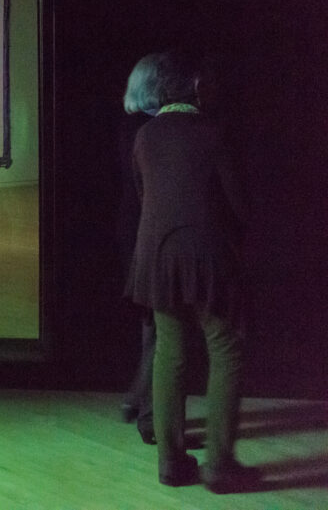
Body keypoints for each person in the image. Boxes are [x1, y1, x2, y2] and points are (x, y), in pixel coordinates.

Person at [128, 50, 258, 493]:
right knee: (225, 349)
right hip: (208, 256)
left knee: (170, 352)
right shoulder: (212, 131)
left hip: (158, 258)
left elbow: (145, 196)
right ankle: (220, 466)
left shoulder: (145, 136)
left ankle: (170, 462)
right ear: (196, 88)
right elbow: (238, 203)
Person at [117, 54, 163, 444]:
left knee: (154, 328)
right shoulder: (153, 131)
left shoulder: (133, 127)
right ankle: (150, 416)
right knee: (162, 332)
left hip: (133, 235)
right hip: (145, 237)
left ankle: (137, 400)